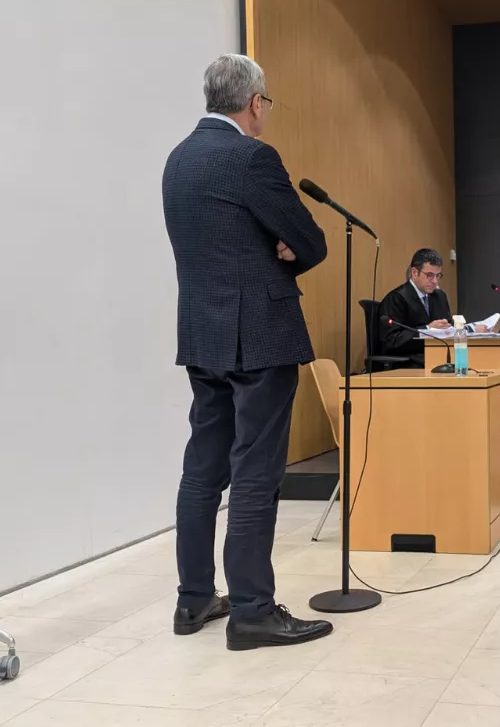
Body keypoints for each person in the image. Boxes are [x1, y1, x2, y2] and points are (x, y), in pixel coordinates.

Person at [163, 53, 334, 650]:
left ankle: (193, 600)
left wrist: (275, 242)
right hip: (259, 335)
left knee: (202, 471)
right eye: (267, 104)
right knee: (256, 473)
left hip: (202, 337)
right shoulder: (252, 157)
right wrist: (286, 248)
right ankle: (254, 612)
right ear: (255, 102)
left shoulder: (178, 159)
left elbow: (217, 241)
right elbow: (308, 239)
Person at [378, 249, 492, 367]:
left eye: (438, 276)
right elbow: (391, 340)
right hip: (411, 361)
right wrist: (428, 329)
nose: (435, 281)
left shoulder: (439, 296)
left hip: (439, 356)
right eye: (429, 275)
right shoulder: (396, 298)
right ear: (414, 273)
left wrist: (470, 329)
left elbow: (449, 328)